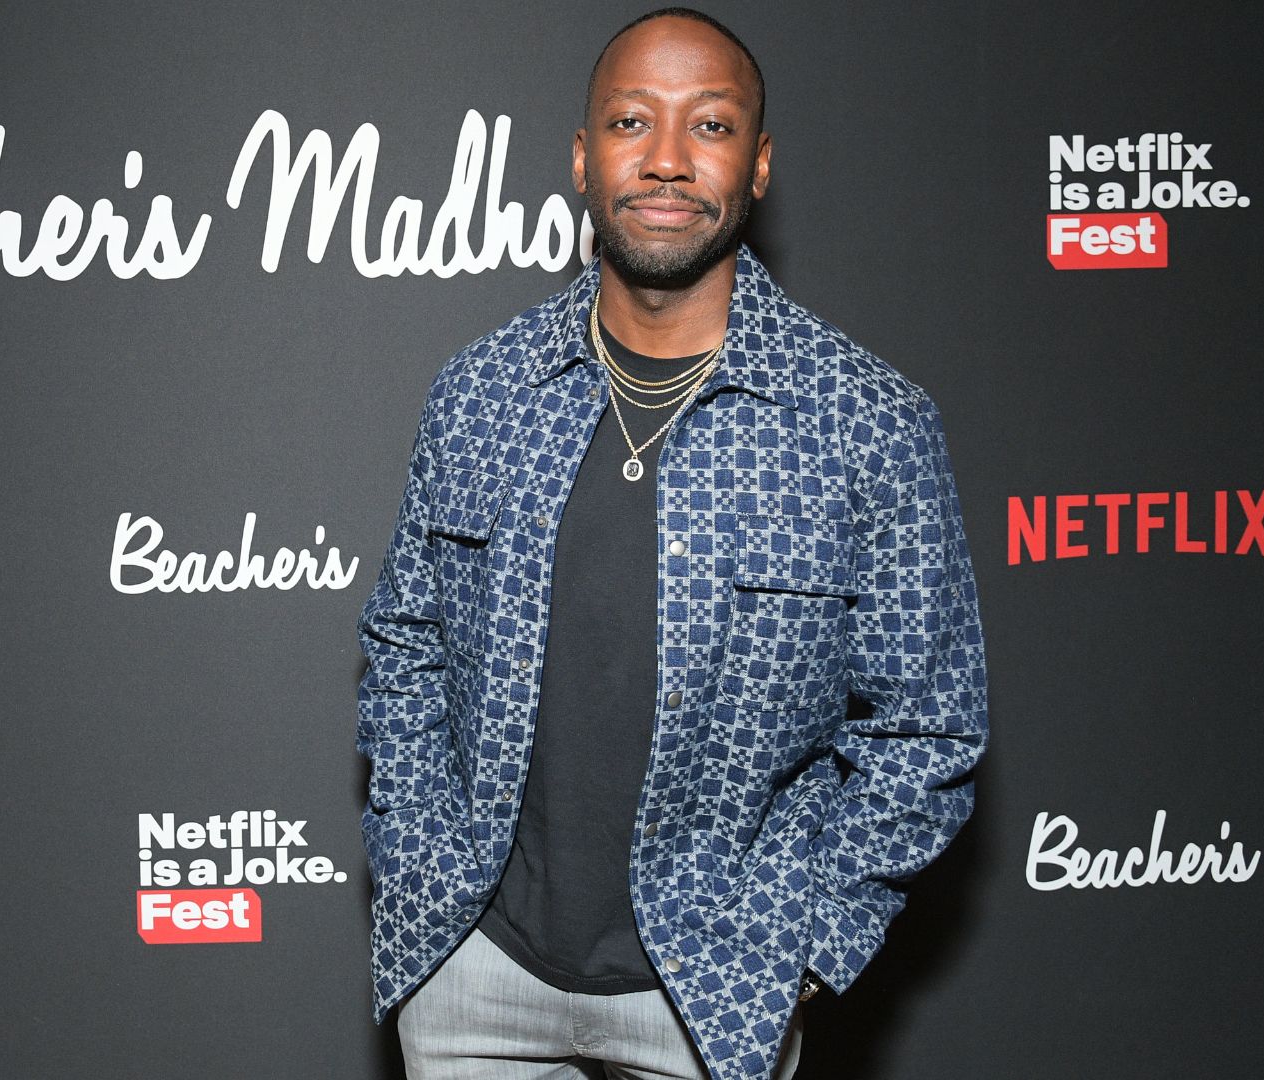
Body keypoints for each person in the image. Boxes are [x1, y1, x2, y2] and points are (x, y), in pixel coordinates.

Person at [354, 9, 988, 1079]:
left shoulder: (865, 422)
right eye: (629, 121)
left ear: (760, 164)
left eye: (711, 125)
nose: (665, 159)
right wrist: (420, 866)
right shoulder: (481, 392)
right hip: (473, 976)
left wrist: (804, 946)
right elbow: (403, 647)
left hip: (717, 993)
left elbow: (930, 725)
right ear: (581, 158)